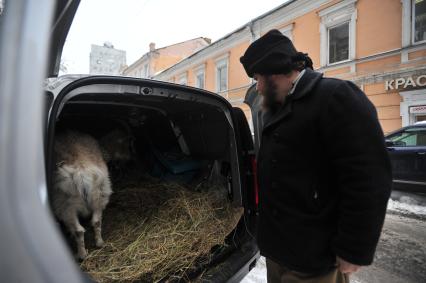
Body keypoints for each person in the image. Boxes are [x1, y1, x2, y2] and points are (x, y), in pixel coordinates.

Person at [240, 29, 392, 283]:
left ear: (274, 71)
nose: (258, 86)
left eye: (258, 78)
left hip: (314, 257)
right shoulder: (279, 105)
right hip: (280, 251)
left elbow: (368, 177)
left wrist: (353, 248)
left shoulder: (335, 96)